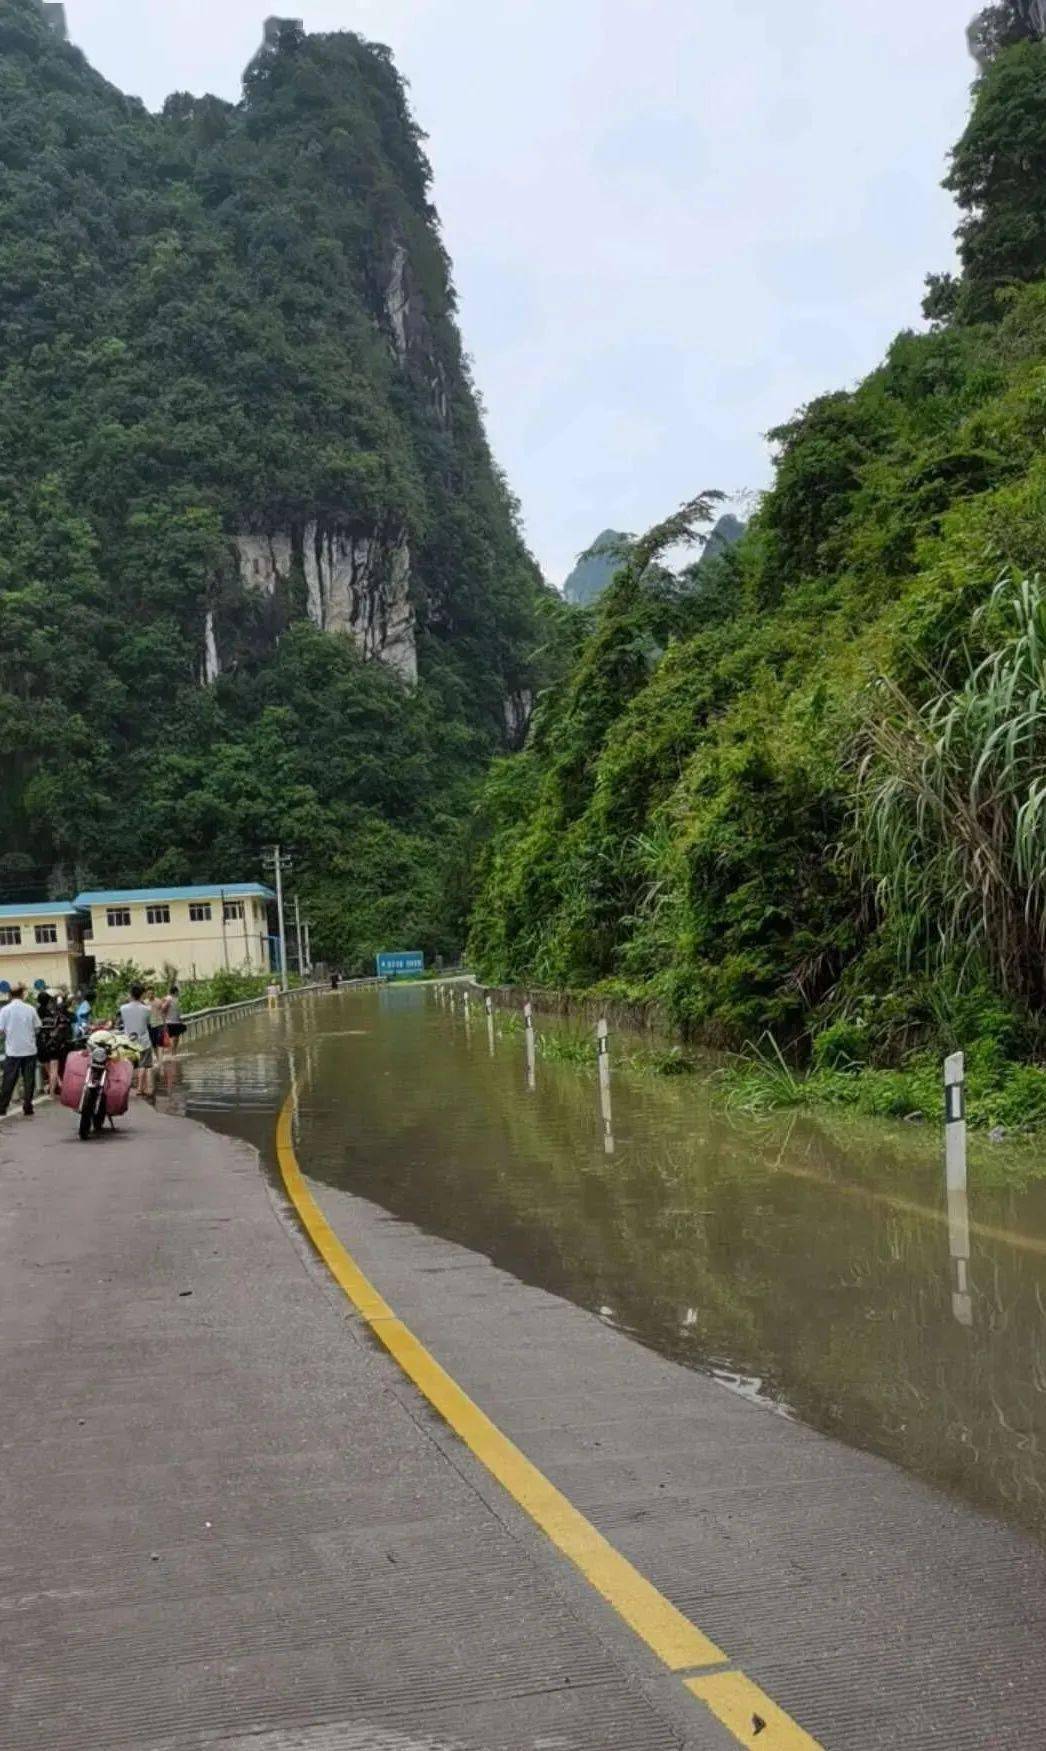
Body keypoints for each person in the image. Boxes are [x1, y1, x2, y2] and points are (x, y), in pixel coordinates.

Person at [0, 983, 42, 1118]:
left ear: (10, 995)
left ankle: (3, 1107)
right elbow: (37, 1027)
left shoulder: (5, 1010)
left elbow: (1, 1030)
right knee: (29, 1079)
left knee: (9, 1079)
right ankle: (28, 1106)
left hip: (13, 1051)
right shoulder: (30, 1009)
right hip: (29, 1049)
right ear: (22, 994)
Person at [118, 983, 153, 1095]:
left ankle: (127, 1087)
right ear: (141, 995)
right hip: (144, 1040)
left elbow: (123, 1021)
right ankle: (144, 1088)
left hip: (129, 1041)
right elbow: (148, 1023)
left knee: (128, 1064)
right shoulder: (147, 1009)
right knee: (145, 1065)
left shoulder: (123, 1008)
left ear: (130, 994)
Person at [36, 990, 69, 1097]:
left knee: (48, 1069)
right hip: (52, 1043)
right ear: (48, 1001)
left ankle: (59, 1086)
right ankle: (51, 1094)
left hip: (41, 1043)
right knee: (54, 1069)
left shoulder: (36, 1013)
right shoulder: (52, 1014)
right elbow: (61, 1025)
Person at [164, 984, 186, 1055]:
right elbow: (163, 1008)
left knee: (176, 1038)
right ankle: (171, 1053)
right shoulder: (169, 998)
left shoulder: (175, 1000)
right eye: (177, 992)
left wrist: (180, 1019)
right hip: (170, 1022)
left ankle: (173, 1053)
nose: (178, 993)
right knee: (172, 1039)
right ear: (175, 992)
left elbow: (177, 1011)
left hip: (176, 1021)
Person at [145, 987, 167, 1057]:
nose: (150, 995)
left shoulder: (158, 1001)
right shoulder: (145, 1003)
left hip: (159, 1024)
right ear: (146, 994)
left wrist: (165, 1024)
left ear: (153, 994)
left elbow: (163, 1013)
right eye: (148, 993)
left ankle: (161, 1058)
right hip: (150, 1025)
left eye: (151, 993)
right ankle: (157, 1057)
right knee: (153, 1043)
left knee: (160, 1042)